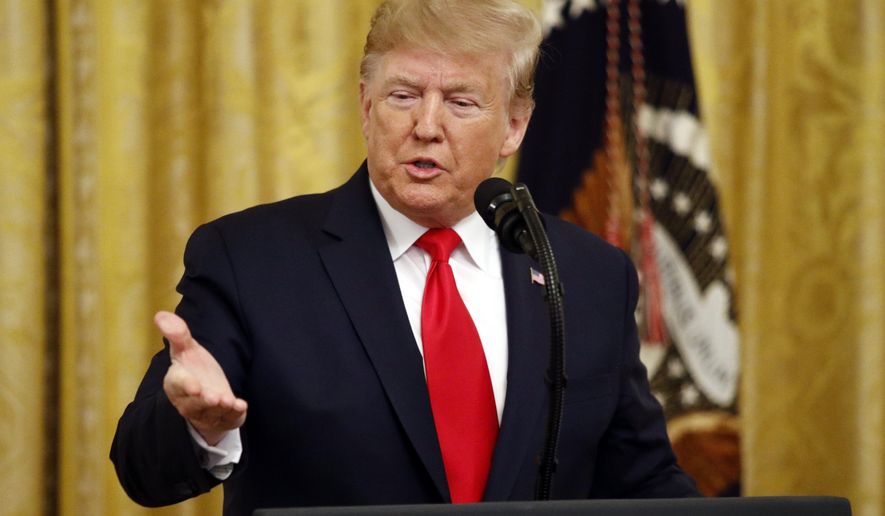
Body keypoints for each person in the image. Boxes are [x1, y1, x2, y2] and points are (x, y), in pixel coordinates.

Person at [111, 0, 698, 513]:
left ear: (515, 126)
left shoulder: (590, 275)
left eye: (461, 102)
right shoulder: (253, 261)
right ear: (366, 106)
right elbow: (142, 469)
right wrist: (199, 426)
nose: (426, 126)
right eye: (404, 96)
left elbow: (643, 480)